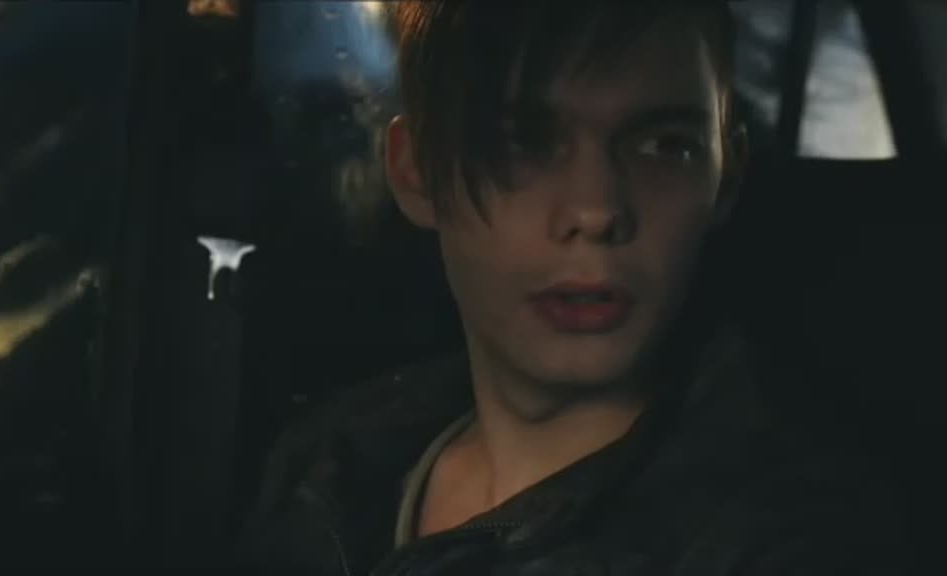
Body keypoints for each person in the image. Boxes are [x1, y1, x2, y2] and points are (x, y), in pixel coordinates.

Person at [236, 1, 906, 575]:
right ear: (416, 172)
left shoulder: (783, 538)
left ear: (724, 178)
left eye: (664, 146)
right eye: (522, 142)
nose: (596, 209)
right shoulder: (329, 460)